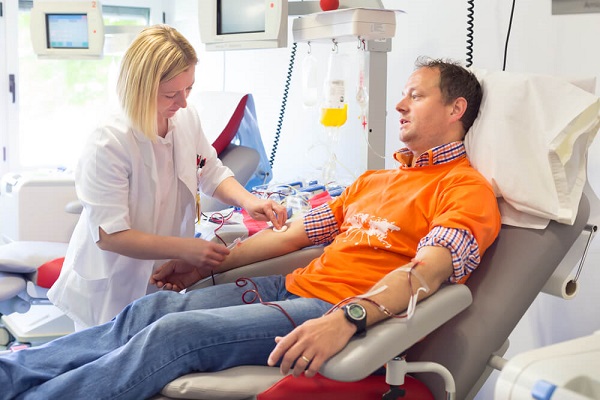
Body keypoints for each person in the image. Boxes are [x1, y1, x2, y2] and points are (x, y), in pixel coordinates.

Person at [1, 57, 501, 399]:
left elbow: (427, 274)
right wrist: (202, 266)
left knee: (174, 334)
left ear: (455, 110)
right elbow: (294, 235)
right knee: (151, 311)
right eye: (403, 95)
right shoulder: (375, 180)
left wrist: (348, 318)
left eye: (416, 96)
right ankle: (9, 376)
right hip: (291, 288)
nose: (399, 105)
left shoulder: (464, 189)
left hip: (330, 310)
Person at [46, 24, 287, 330]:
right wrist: (185, 248)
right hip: (110, 285)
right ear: (140, 89)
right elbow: (110, 235)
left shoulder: (185, 117)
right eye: (171, 94)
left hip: (158, 276)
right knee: (107, 350)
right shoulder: (108, 141)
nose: (183, 102)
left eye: (189, 89)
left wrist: (250, 201)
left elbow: (210, 171)